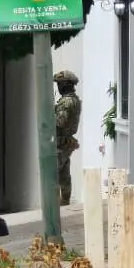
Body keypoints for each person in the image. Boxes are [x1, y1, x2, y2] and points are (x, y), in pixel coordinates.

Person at [53, 70, 82, 206]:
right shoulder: (75, 99)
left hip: (60, 142)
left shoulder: (66, 102)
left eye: (59, 84)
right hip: (67, 141)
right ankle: (65, 200)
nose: (58, 87)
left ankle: (53, 204)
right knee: (64, 174)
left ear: (65, 84)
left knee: (53, 175)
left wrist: (49, 113)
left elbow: (60, 122)